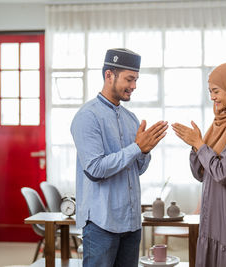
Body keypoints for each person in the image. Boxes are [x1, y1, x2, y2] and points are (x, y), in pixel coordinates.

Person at [71, 48, 168, 267]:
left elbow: (137, 169)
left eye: (136, 80)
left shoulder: (130, 118)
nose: (134, 86)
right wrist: (136, 148)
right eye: (129, 79)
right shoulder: (87, 117)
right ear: (109, 75)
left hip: (131, 224)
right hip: (101, 224)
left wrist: (144, 151)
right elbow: (95, 170)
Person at [172, 63, 226, 267]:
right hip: (212, 212)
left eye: (216, 91)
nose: (212, 97)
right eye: (210, 91)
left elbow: (224, 173)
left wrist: (199, 144)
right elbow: (201, 173)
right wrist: (195, 147)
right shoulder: (218, 123)